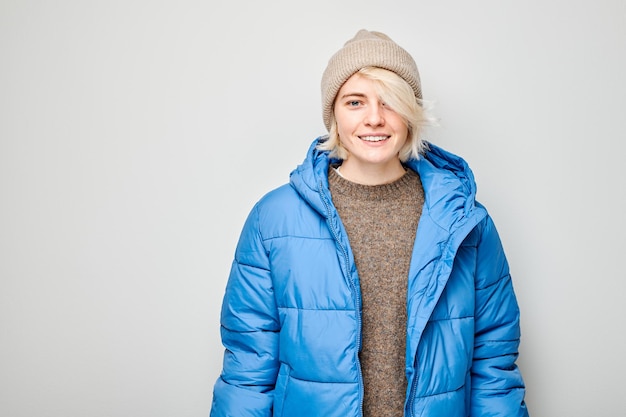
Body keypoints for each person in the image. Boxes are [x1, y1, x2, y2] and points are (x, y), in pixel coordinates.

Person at [210, 29, 529, 417]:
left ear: (411, 113)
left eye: (390, 102)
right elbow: (248, 368)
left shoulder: (464, 221)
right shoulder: (274, 218)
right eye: (355, 102)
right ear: (334, 115)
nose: (374, 119)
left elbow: (493, 363)